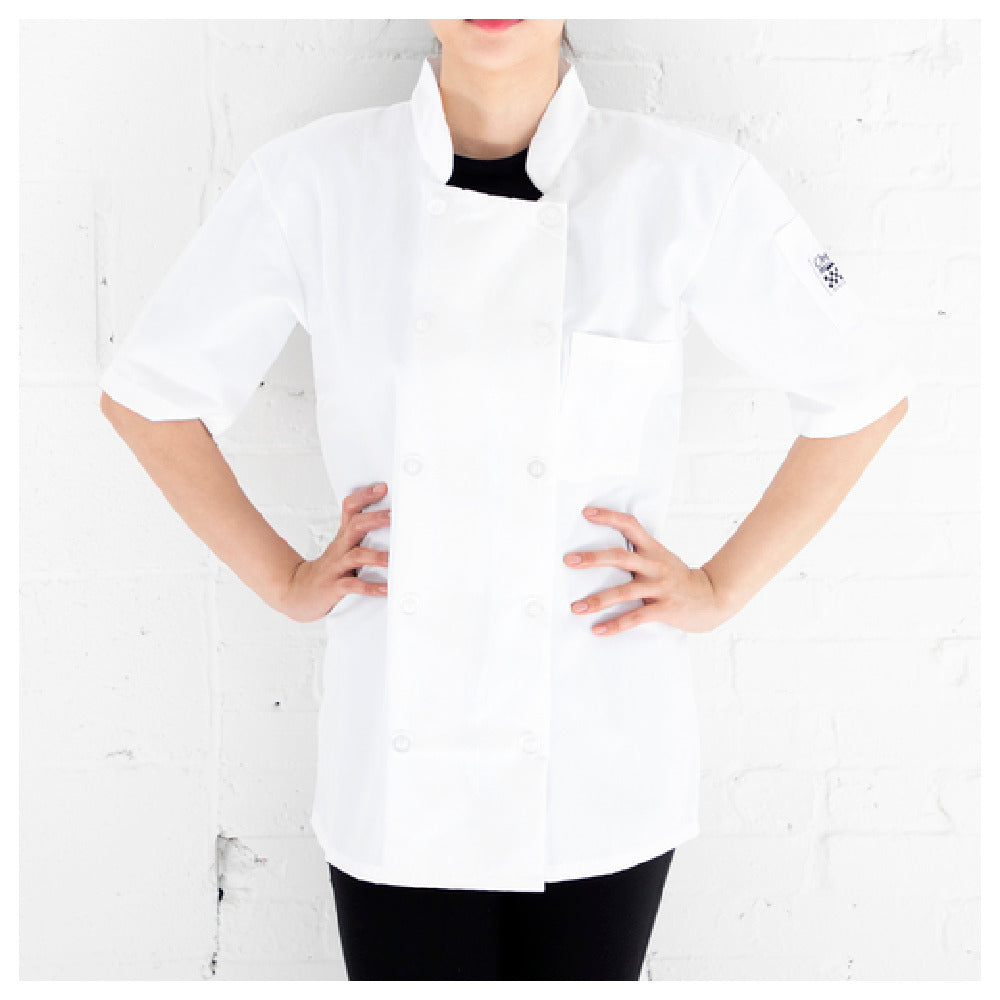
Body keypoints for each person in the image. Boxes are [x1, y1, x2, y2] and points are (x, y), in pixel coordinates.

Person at [98, 18, 913, 981]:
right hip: (399, 765)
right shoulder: (313, 181)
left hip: (598, 751)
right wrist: (282, 578)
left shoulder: (687, 185)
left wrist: (719, 587)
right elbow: (150, 397)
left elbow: (861, 393)